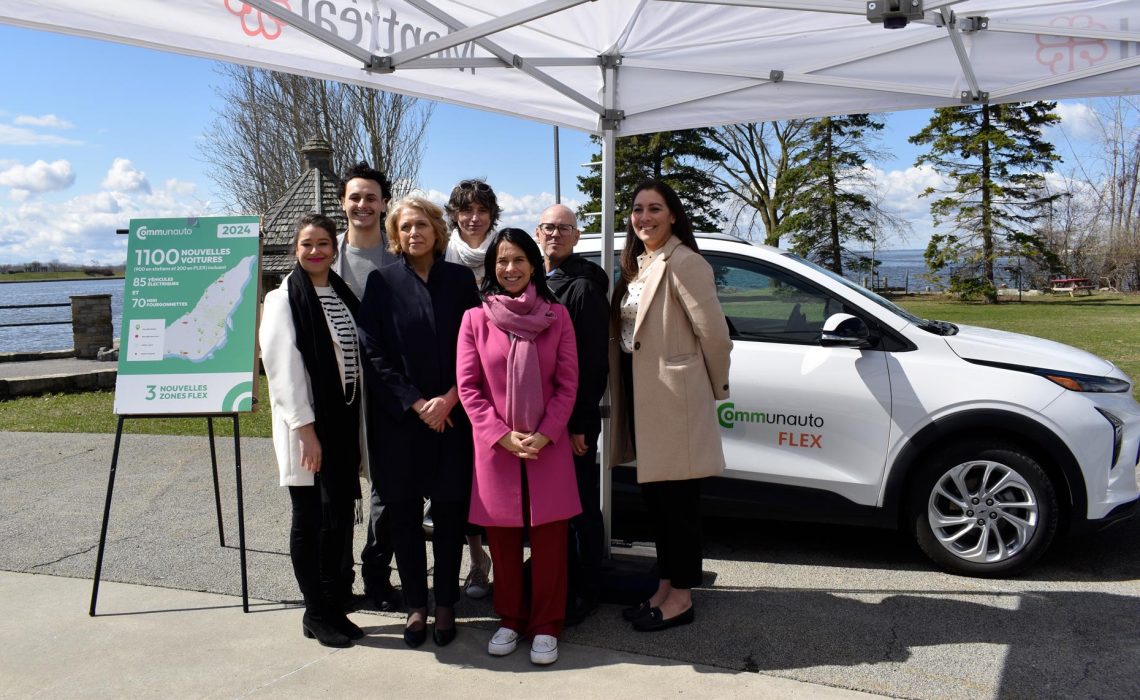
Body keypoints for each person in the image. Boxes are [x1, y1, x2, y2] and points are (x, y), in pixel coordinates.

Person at [609, 179, 732, 632]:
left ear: (673, 214)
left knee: (677, 506)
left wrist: (714, 388)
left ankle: (681, 598)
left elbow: (715, 335)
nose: (644, 217)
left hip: (675, 401)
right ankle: (665, 585)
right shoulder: (641, 264)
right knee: (658, 503)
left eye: (654, 208)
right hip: (647, 400)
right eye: (637, 210)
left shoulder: (685, 262)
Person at [356, 197, 480, 648]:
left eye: (422, 225)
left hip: (453, 419)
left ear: (436, 230)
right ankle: (416, 605)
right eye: (406, 227)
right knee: (404, 518)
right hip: (401, 423)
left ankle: (445, 602)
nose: (415, 233)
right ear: (396, 235)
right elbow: (372, 351)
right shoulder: (381, 282)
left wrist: (449, 399)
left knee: (449, 514)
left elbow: (475, 348)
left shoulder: (460, 280)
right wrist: (415, 402)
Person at [456, 228, 581, 666]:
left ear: (533, 265)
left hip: (548, 445)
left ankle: (547, 624)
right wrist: (501, 435)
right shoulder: (475, 319)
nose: (510, 269)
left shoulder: (556, 316)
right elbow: (469, 389)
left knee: (550, 542)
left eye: (518, 260)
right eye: (502, 261)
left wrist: (546, 432)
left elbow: (569, 385)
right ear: (492, 268)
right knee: (504, 542)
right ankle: (509, 618)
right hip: (497, 448)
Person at [260, 213, 365, 648]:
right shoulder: (284, 298)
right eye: (307, 244)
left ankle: (332, 603)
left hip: (340, 425)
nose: (316, 251)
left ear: (335, 249)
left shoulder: (340, 293)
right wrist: (306, 430)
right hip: (306, 429)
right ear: (295, 250)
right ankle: (315, 611)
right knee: (309, 520)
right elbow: (281, 371)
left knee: (336, 521)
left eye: (324, 243)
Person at [332, 161, 401, 613]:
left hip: (386, 393)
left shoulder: (399, 257)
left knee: (388, 490)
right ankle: (338, 582)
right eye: (355, 197)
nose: (363, 205)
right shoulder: (323, 255)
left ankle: (377, 575)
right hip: (336, 393)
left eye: (371, 197)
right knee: (337, 489)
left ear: (383, 204)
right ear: (343, 203)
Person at [535, 204, 610, 625]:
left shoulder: (582, 288)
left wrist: (582, 423)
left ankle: (586, 589)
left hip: (573, 421)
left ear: (577, 237)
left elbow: (591, 363)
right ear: (538, 232)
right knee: (557, 507)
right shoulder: (541, 281)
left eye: (564, 229)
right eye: (548, 227)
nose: (555, 234)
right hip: (546, 420)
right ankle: (560, 581)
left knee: (580, 507)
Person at [443, 178, 501, 598]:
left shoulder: (506, 252)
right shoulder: (441, 254)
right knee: (463, 477)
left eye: (482, 210)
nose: (474, 218)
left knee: (497, 474)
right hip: (455, 377)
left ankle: (508, 560)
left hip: (501, 380)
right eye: (466, 211)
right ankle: (476, 561)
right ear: (455, 215)